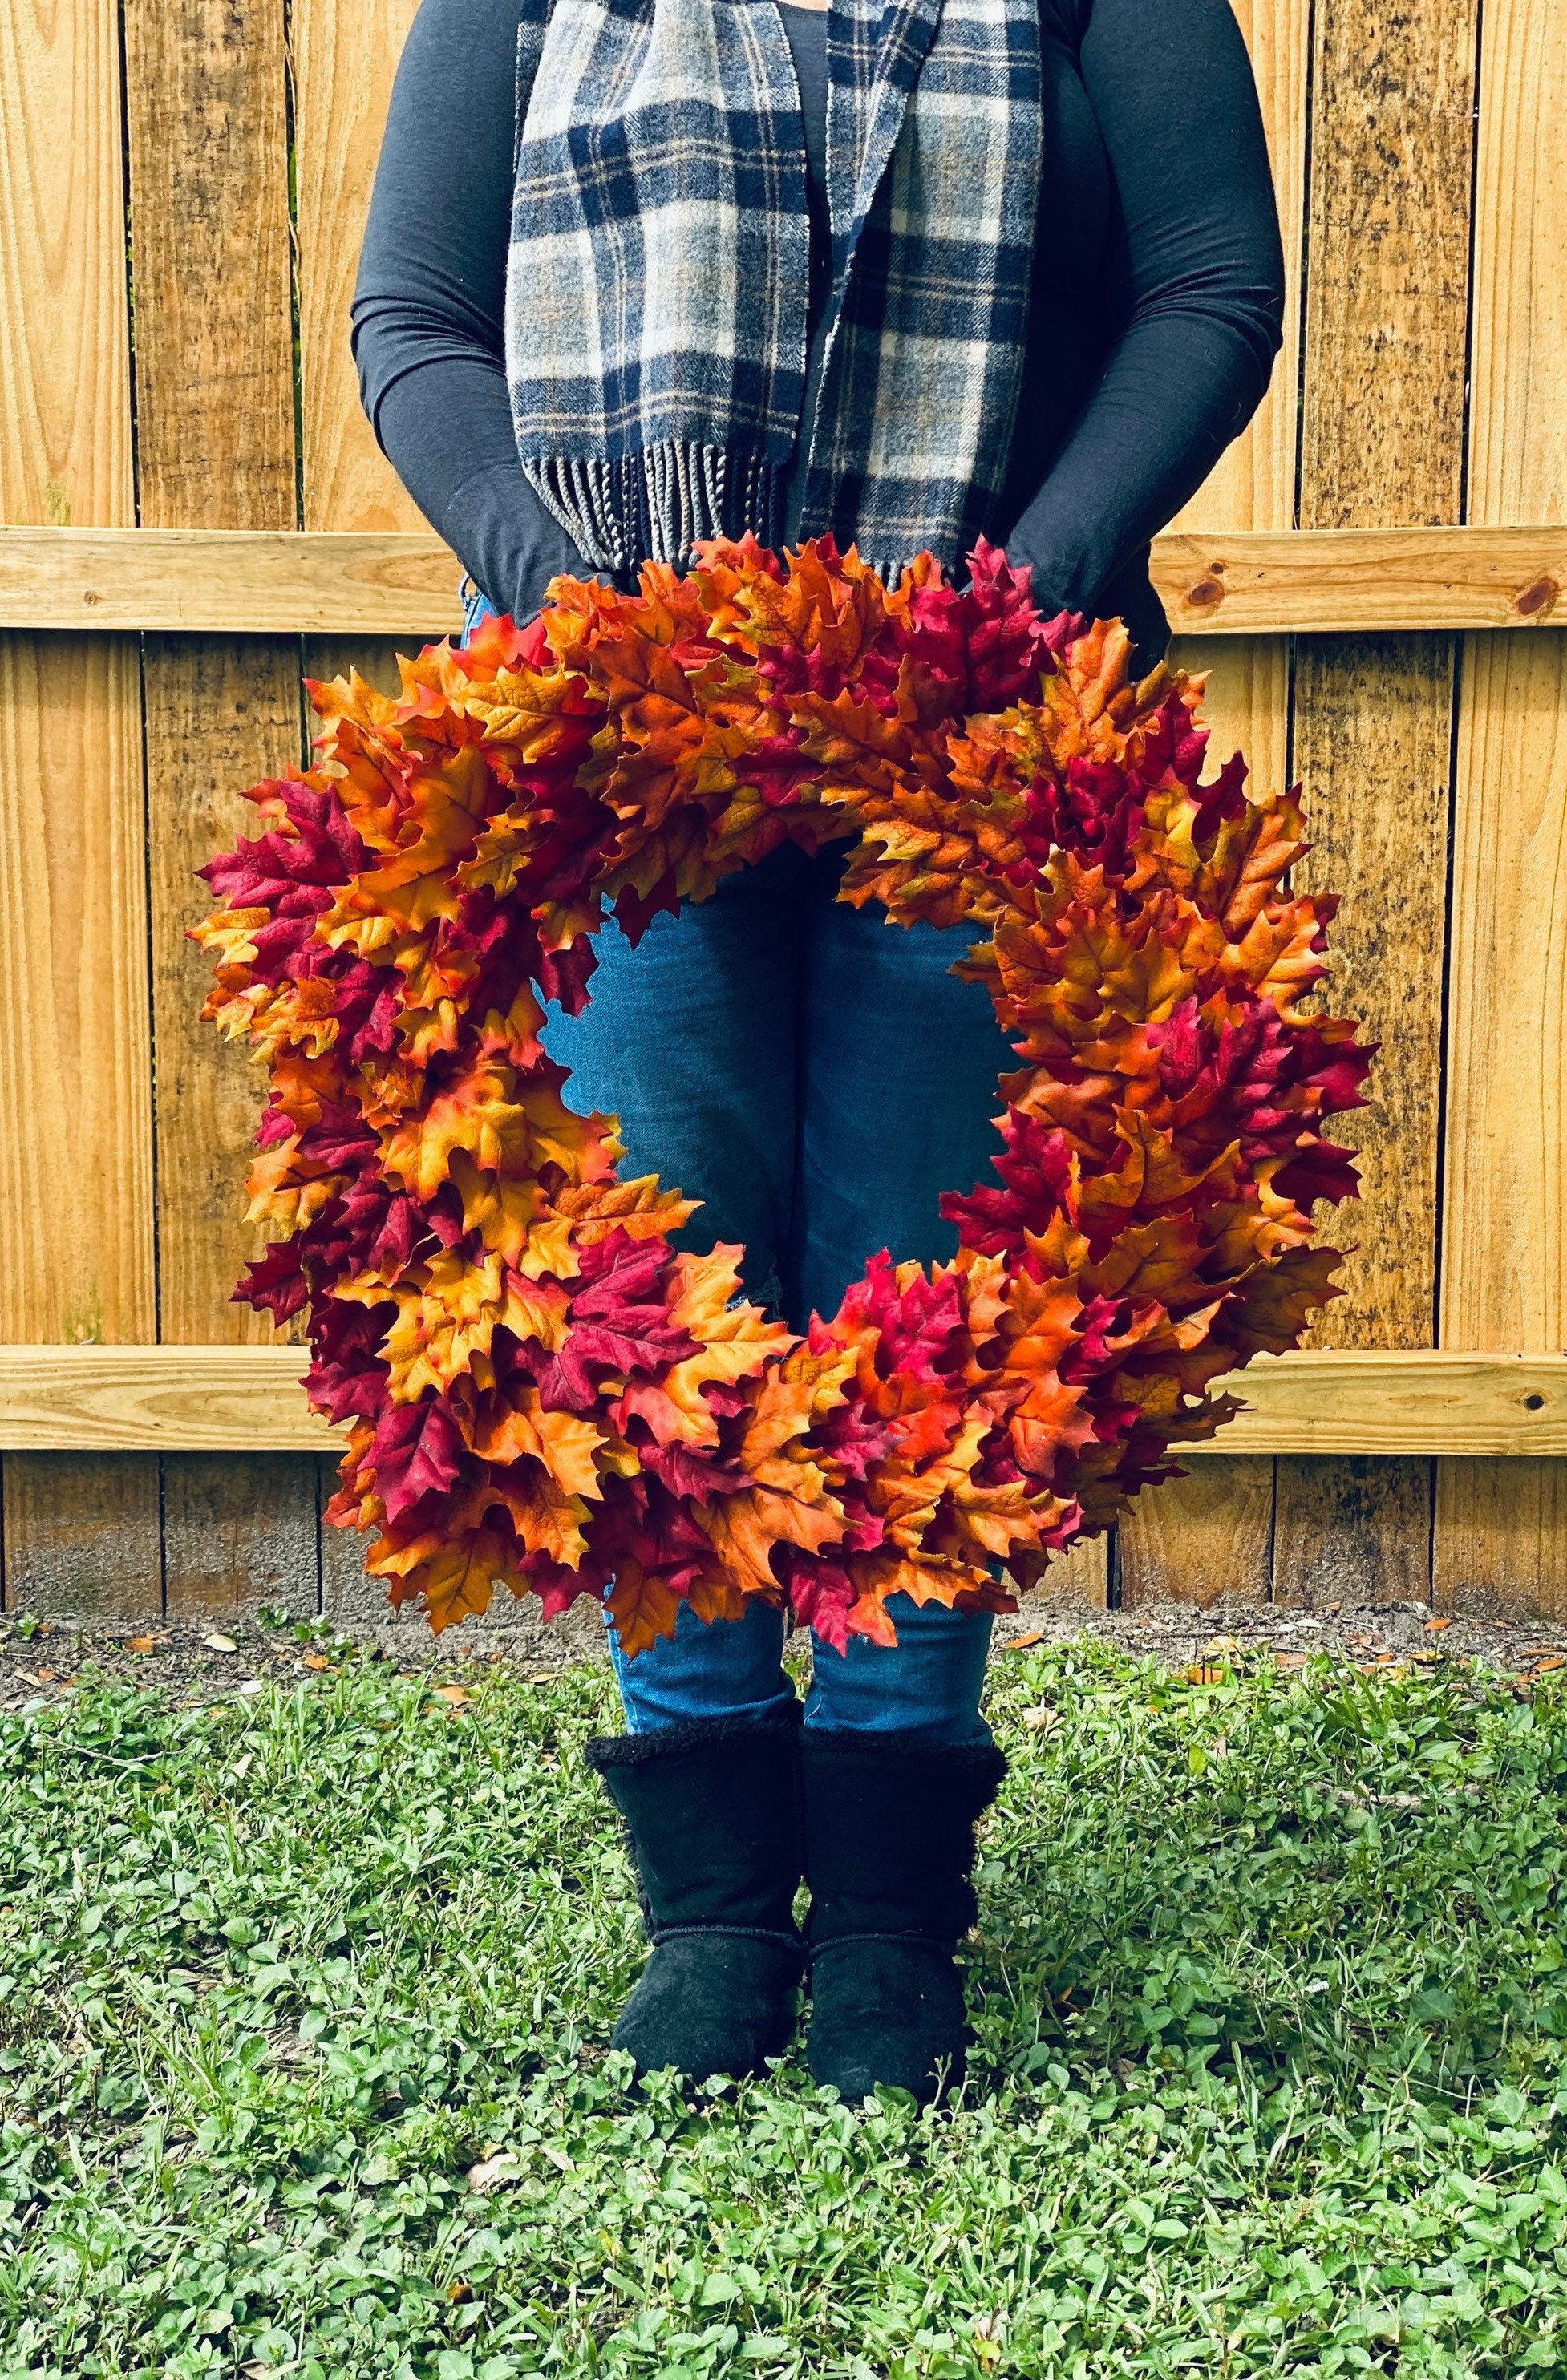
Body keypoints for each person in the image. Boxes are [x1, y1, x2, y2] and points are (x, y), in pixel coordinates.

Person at [354, 0, 1285, 2102]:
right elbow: (413, 319)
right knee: (652, 1305)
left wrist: (995, 611)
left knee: (913, 1318)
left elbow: (1209, 292)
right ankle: (703, 1907)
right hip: (620, 747)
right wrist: (578, 606)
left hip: (970, 743)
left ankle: (880, 1918)